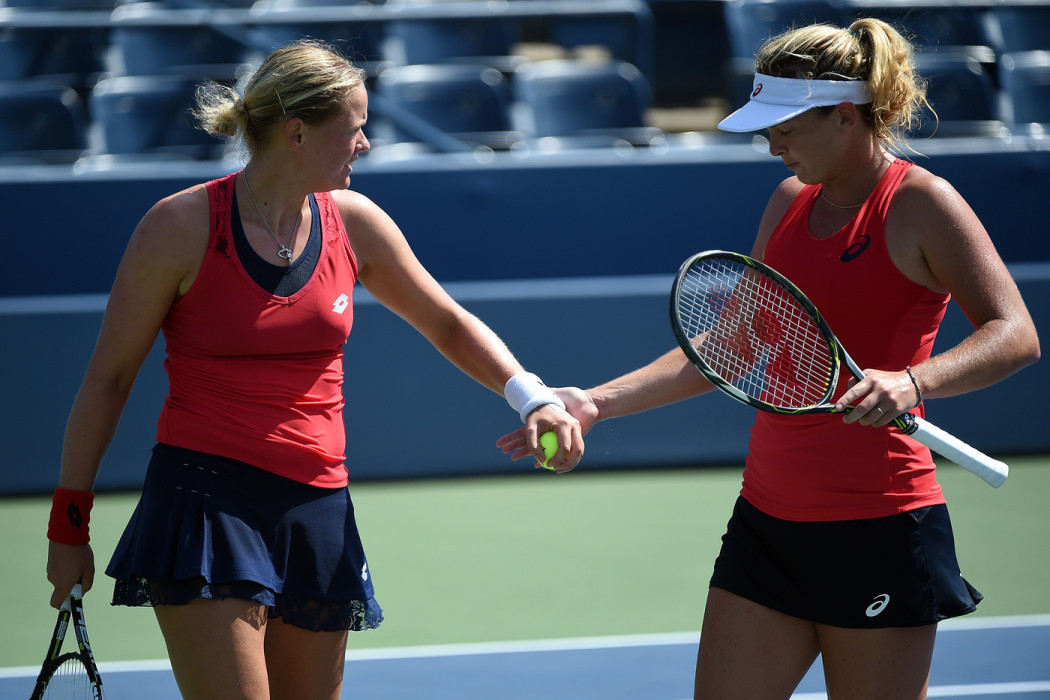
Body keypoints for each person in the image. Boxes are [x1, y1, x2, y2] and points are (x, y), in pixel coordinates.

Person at [499, 18, 1039, 700]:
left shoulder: (922, 204)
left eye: (787, 126)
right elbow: (729, 347)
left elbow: (1015, 332)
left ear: (845, 115)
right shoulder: (787, 202)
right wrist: (596, 402)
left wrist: (913, 381)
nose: (773, 143)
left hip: (880, 526)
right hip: (769, 521)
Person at [45, 39, 583, 700]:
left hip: (317, 508)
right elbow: (108, 380)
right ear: (297, 132)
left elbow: (447, 321)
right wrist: (68, 526)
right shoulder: (178, 227)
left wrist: (532, 399)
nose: (365, 145)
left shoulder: (355, 224)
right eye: (354, 130)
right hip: (206, 504)